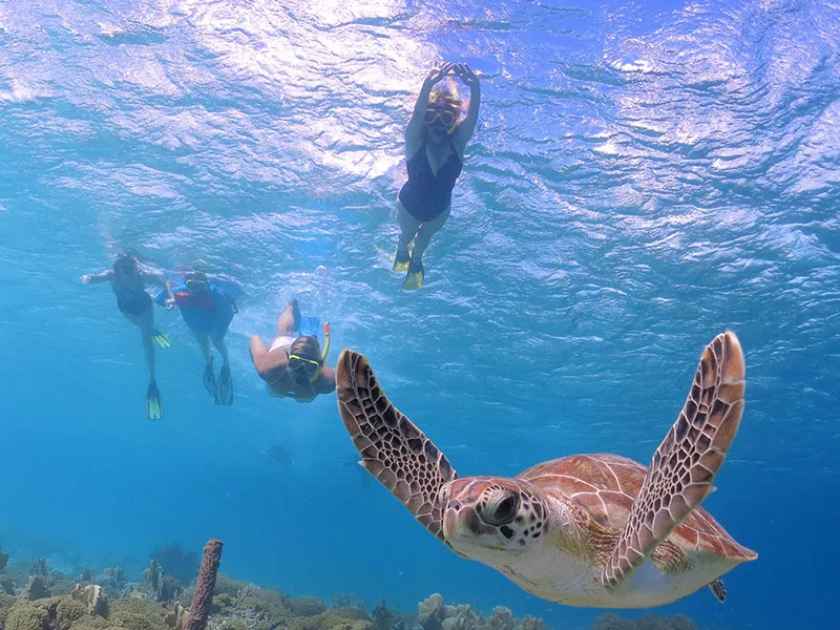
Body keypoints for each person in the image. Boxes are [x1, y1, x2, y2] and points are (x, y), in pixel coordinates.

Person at [394, 62, 481, 289]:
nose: (439, 124)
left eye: (447, 118)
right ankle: (402, 253)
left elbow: (471, 119)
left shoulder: (457, 144)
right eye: (433, 116)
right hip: (409, 206)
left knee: (422, 244)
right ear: (425, 119)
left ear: (453, 120)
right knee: (406, 238)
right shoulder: (414, 141)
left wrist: (475, 88)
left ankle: (416, 261)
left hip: (439, 212)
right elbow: (418, 113)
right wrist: (427, 86)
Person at [80, 253, 175, 420]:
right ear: (118, 268)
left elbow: (163, 279)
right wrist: (89, 278)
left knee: (146, 342)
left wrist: (171, 297)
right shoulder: (112, 275)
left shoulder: (142, 275)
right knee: (145, 329)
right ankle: (151, 330)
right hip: (125, 310)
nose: (128, 271)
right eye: (124, 268)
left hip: (144, 308)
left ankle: (152, 379)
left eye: (130, 267)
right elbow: (97, 277)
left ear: (136, 266)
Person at [160, 271, 240, 405]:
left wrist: (218, 331)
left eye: (199, 286)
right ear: (187, 285)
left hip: (215, 319)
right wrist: (170, 300)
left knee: (216, 340)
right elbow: (167, 289)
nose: (196, 290)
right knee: (201, 340)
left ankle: (226, 363)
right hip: (195, 321)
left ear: (206, 285)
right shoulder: (180, 292)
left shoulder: (217, 295)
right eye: (192, 285)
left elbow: (228, 314)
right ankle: (209, 362)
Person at [249, 299, 335, 402]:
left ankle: (310, 336)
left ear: (320, 365)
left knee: (286, 334)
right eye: (296, 362)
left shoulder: (329, 380)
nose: (302, 370)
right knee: (284, 333)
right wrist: (262, 356)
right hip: (285, 347)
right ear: (288, 358)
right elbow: (254, 338)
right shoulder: (268, 367)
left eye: (310, 366)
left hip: (299, 354)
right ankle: (291, 305)